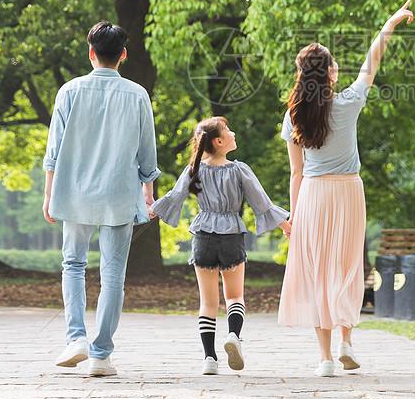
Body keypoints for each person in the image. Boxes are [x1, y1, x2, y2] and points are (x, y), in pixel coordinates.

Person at [277, 0, 415, 377]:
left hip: (314, 196)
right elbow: (373, 60)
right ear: (331, 75)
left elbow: (295, 173)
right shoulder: (349, 102)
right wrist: (389, 23)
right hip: (349, 193)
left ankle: (324, 359)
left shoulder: (294, 118)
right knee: (348, 268)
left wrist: (294, 216)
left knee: (319, 272)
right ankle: (347, 342)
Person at [42, 21, 160, 377]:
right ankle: (101, 354)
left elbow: (54, 149)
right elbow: (147, 154)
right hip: (119, 194)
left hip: (74, 192)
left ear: (90, 53)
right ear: (123, 55)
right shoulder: (137, 94)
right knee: (113, 276)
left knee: (73, 264)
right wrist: (149, 194)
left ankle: (75, 338)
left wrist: (49, 193)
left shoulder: (69, 91)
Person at [149, 116, 291, 375]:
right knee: (235, 296)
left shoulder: (194, 168)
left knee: (208, 303)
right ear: (219, 141)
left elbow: (174, 196)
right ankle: (234, 336)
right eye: (228, 130)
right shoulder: (239, 169)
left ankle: (209, 359)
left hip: (202, 237)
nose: (233, 132)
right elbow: (262, 203)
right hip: (231, 236)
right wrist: (286, 226)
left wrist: (152, 210)